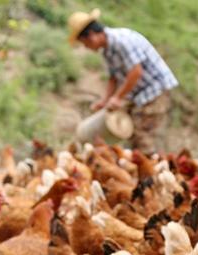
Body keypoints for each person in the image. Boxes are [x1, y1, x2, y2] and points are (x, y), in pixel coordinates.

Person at [68, 9, 178, 154]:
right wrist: (106, 100)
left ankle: (150, 169)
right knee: (130, 132)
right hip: (140, 93)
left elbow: (136, 72)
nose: (87, 48)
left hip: (155, 90)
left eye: (85, 44)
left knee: (142, 135)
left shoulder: (121, 41)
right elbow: (113, 77)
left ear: (91, 36)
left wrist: (118, 98)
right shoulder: (107, 49)